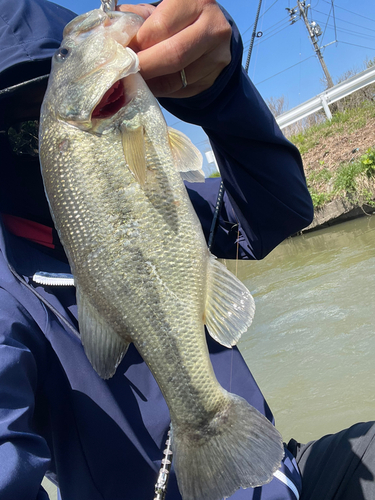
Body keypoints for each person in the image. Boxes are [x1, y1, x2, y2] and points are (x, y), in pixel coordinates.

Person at [2, 1, 367, 500]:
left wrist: (220, 93)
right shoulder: (8, 298)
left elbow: (278, 209)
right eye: (16, 128)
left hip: (284, 470)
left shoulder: (166, 212)